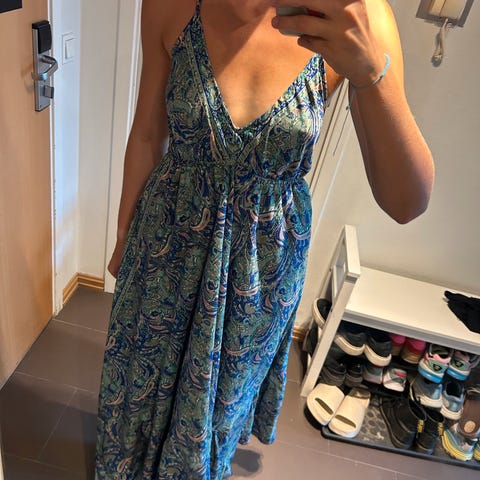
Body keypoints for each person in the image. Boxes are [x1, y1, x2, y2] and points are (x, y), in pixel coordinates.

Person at [95, 0, 434, 478]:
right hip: (165, 247)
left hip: (259, 276)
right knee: (140, 394)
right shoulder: (171, 4)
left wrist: (369, 73)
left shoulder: (360, 17)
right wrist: (123, 238)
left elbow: (407, 202)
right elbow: (149, 134)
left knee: (216, 414)